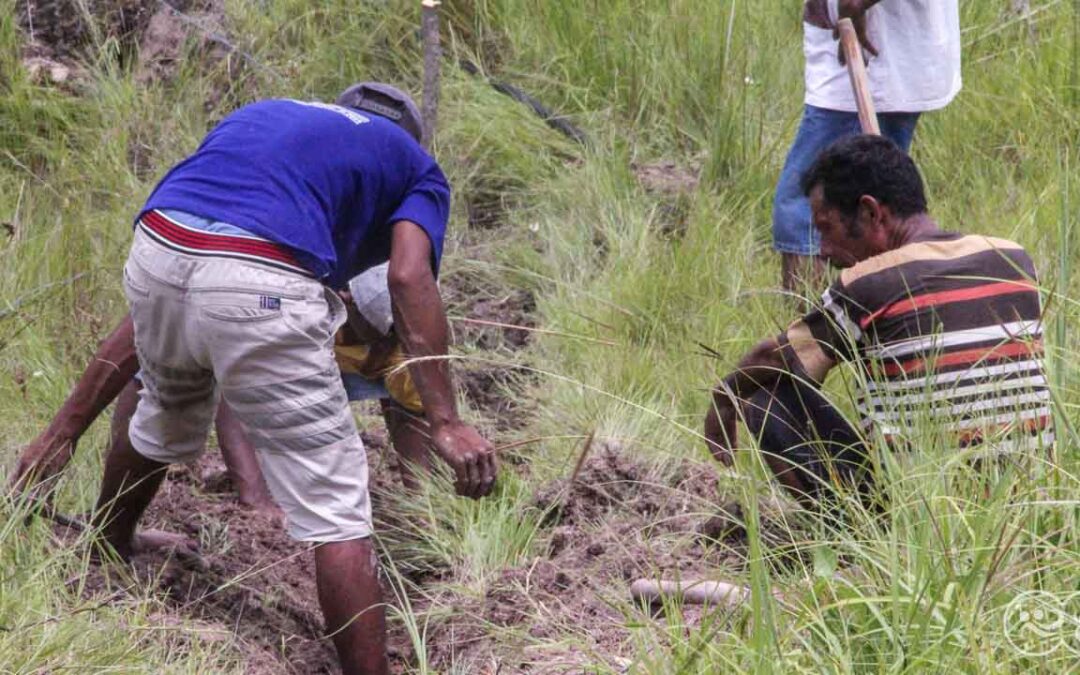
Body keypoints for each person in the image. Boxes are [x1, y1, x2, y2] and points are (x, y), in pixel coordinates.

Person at [78, 82, 496, 675]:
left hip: (157, 247)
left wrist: (61, 434)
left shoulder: (266, 120)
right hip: (261, 283)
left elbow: (195, 258)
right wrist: (449, 421)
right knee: (336, 506)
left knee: (165, 404)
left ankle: (107, 544)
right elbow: (409, 277)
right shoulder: (414, 167)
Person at [706, 135, 1051, 509]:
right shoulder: (1012, 257)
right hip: (1029, 505)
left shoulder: (869, 282)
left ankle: (846, 544)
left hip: (923, 514)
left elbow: (775, 360)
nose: (822, 250)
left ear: (871, 212)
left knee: (765, 395)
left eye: (826, 228)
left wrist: (724, 397)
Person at [11, 263, 438, 514]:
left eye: (387, 339)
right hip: (226, 300)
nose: (379, 345)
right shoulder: (296, 302)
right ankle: (118, 512)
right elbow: (237, 395)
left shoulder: (400, 341)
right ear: (343, 301)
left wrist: (423, 508)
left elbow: (411, 414)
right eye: (369, 333)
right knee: (159, 376)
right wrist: (255, 499)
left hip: (310, 348)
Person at [775, 0, 961, 293]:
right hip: (882, 49)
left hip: (871, 53)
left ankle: (819, 334)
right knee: (879, 207)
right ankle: (881, 323)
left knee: (810, 211)